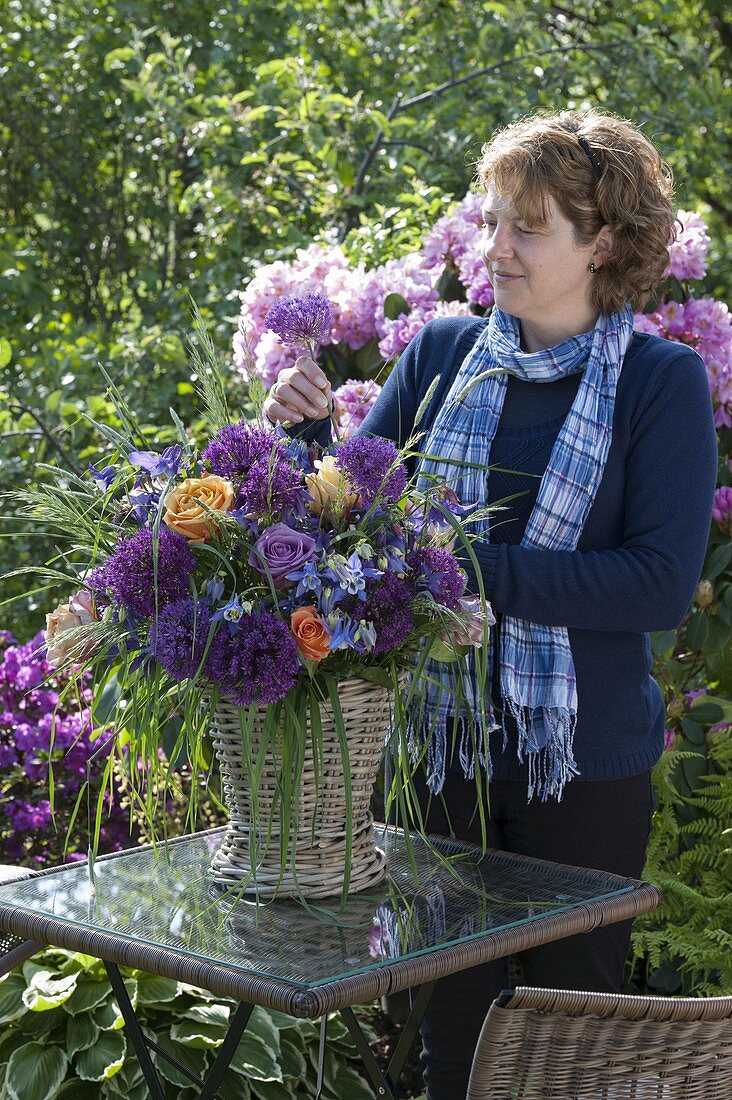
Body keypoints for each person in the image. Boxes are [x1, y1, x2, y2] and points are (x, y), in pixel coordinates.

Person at [263, 109, 718, 1099]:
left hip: (583, 768)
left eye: (530, 226)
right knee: (443, 1032)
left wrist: (463, 573)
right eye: (494, 219)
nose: (495, 248)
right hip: (437, 752)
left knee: (577, 1048)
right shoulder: (440, 352)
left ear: (603, 243)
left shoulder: (659, 381)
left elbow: (659, 584)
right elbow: (351, 522)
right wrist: (297, 442)